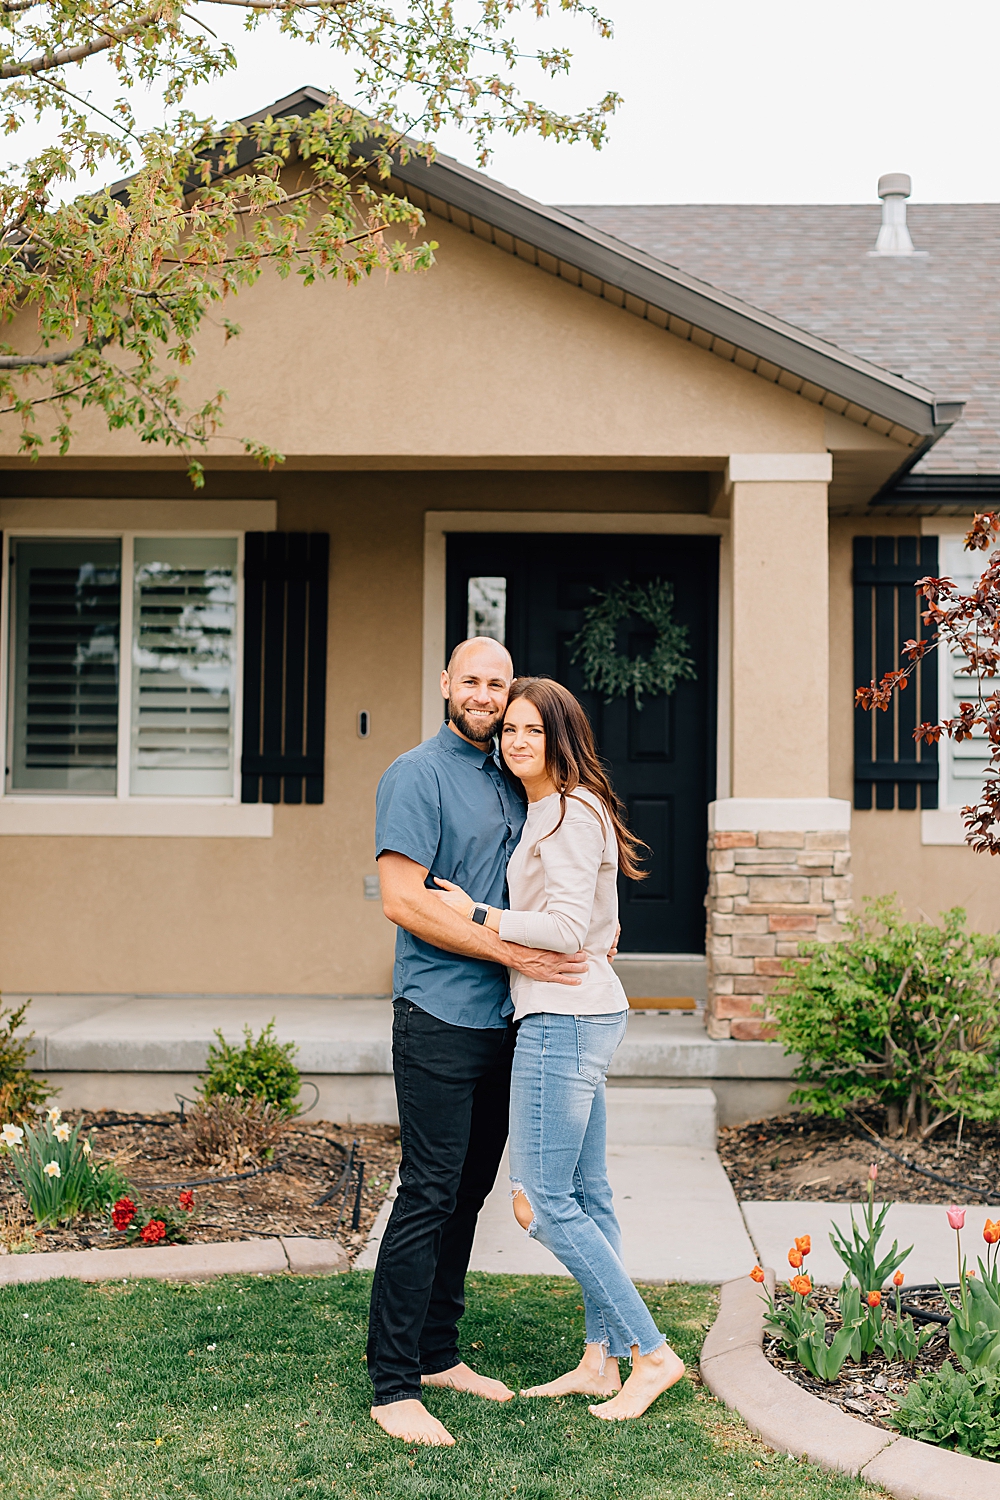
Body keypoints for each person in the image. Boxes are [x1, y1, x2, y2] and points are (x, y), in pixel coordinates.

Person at [435, 677, 686, 1420]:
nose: (514, 740)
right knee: (588, 1196)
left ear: (560, 738)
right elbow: (597, 924)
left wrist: (478, 913)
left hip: (563, 1019)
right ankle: (598, 1362)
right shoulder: (556, 809)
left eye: (531, 731)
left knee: (541, 1204)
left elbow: (571, 928)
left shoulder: (571, 813)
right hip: (582, 1011)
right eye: (508, 728)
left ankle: (652, 1354)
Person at [368, 637, 590, 1447]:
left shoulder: (515, 774)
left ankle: (436, 1353)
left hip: (510, 1022)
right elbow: (402, 899)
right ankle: (393, 1386)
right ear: (444, 685)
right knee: (428, 1192)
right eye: (472, 681)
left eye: (498, 683)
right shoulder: (416, 775)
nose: (485, 694)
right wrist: (509, 952)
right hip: (437, 1016)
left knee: (467, 1196)